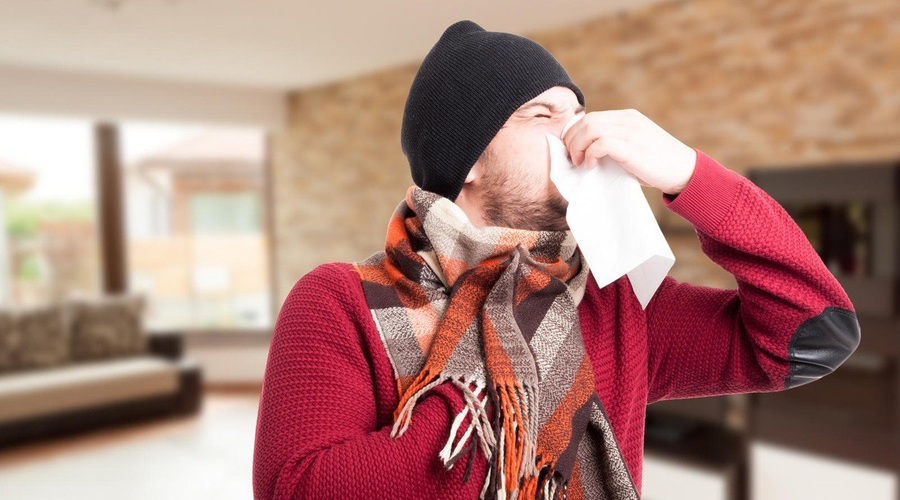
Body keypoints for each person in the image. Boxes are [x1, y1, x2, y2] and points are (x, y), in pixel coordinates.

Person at [253, 20, 860, 500]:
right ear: (465, 161)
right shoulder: (339, 302)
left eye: (577, 113)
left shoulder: (614, 301)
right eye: (543, 115)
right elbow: (296, 488)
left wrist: (694, 178)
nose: (578, 135)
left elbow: (814, 334)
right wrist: (514, 378)